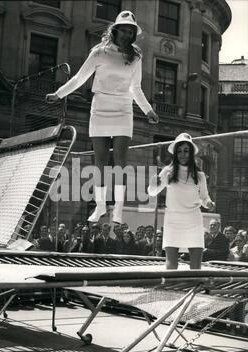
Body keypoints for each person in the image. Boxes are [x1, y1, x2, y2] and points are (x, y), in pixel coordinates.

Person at [46, 10, 159, 224]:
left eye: (130, 31)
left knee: (120, 162)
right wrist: (59, 94)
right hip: (100, 107)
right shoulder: (99, 52)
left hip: (124, 109)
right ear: (115, 30)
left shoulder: (136, 57)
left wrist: (148, 111)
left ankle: (117, 209)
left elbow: (136, 88)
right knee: (99, 162)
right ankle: (99, 207)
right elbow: (80, 77)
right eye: (123, 30)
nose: (127, 34)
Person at [147, 133, 215, 269]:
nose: (182, 154)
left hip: (193, 220)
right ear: (175, 154)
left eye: (186, 151)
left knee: (196, 267)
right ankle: (170, 291)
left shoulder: (200, 176)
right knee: (171, 265)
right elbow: (152, 192)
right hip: (173, 221)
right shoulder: (167, 171)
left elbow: (204, 198)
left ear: (191, 153)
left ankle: (194, 290)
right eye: (179, 151)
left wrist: (209, 203)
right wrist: (153, 183)